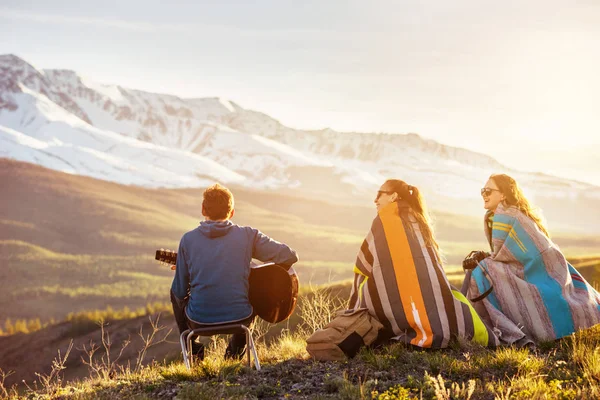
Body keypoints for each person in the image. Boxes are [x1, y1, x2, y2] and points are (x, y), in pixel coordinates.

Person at [348, 179, 498, 349]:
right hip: (431, 303)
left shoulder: (386, 219)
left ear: (393, 197)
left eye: (379, 194)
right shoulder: (418, 219)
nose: (375, 200)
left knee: (366, 284)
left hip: (401, 302)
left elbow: (365, 263)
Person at [465, 173, 600, 344]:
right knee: (485, 267)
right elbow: (507, 254)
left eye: (488, 191)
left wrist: (484, 260)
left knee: (482, 271)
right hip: (550, 267)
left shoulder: (503, 214)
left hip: (538, 268)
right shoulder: (506, 213)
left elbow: (502, 257)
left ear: (503, 194)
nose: (484, 195)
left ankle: (494, 328)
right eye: (482, 191)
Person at [170, 183, 299, 359]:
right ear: (232, 212)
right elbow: (289, 256)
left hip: (198, 320)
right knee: (253, 293)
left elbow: (179, 290)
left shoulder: (188, 240)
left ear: (202, 209)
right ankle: (234, 354)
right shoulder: (248, 235)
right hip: (241, 318)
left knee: (174, 292)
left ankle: (193, 350)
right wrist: (255, 274)